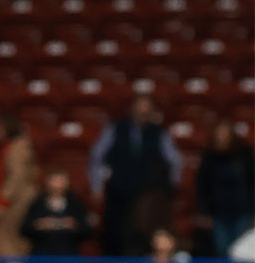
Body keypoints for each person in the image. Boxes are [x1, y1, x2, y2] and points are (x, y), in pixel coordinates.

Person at [91, 95, 183, 256]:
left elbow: (174, 161)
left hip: (147, 196)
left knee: (142, 240)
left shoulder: (158, 132)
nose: (143, 112)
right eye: (140, 108)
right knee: (114, 237)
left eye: (146, 109)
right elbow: (97, 156)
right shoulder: (116, 128)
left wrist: (170, 186)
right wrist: (96, 186)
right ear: (132, 109)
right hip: (117, 193)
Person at [196, 122, 253, 256]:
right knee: (222, 250)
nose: (222, 138)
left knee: (241, 251)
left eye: (225, 134)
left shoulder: (244, 155)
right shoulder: (209, 157)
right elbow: (203, 187)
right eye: (219, 134)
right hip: (218, 213)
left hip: (242, 211)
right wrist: (205, 212)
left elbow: (252, 183)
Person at [21, 169, 93, 257]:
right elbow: (24, 229)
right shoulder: (37, 204)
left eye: (61, 181)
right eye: (55, 181)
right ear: (47, 182)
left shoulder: (75, 204)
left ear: (67, 182)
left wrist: (74, 225)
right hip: (42, 254)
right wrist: (38, 225)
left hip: (68, 254)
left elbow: (87, 231)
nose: (58, 185)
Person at [0, 113, 40, 257]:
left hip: (18, 201)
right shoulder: (21, 146)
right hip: (21, 198)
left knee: (10, 239)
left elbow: (17, 177)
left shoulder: (17, 149)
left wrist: (4, 200)